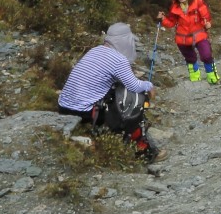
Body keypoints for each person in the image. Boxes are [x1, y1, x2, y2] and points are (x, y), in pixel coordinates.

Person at [57, 23, 156, 159]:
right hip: (83, 111)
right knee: (131, 102)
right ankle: (144, 151)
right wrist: (149, 86)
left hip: (63, 106)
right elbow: (134, 86)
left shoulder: (95, 50)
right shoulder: (118, 60)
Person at [158, 0, 219, 84]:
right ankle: (195, 80)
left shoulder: (198, 3)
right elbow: (171, 23)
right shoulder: (174, 7)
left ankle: (213, 78)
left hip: (199, 35)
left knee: (206, 55)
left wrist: (207, 24)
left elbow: (206, 18)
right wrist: (163, 19)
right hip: (182, 38)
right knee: (190, 59)